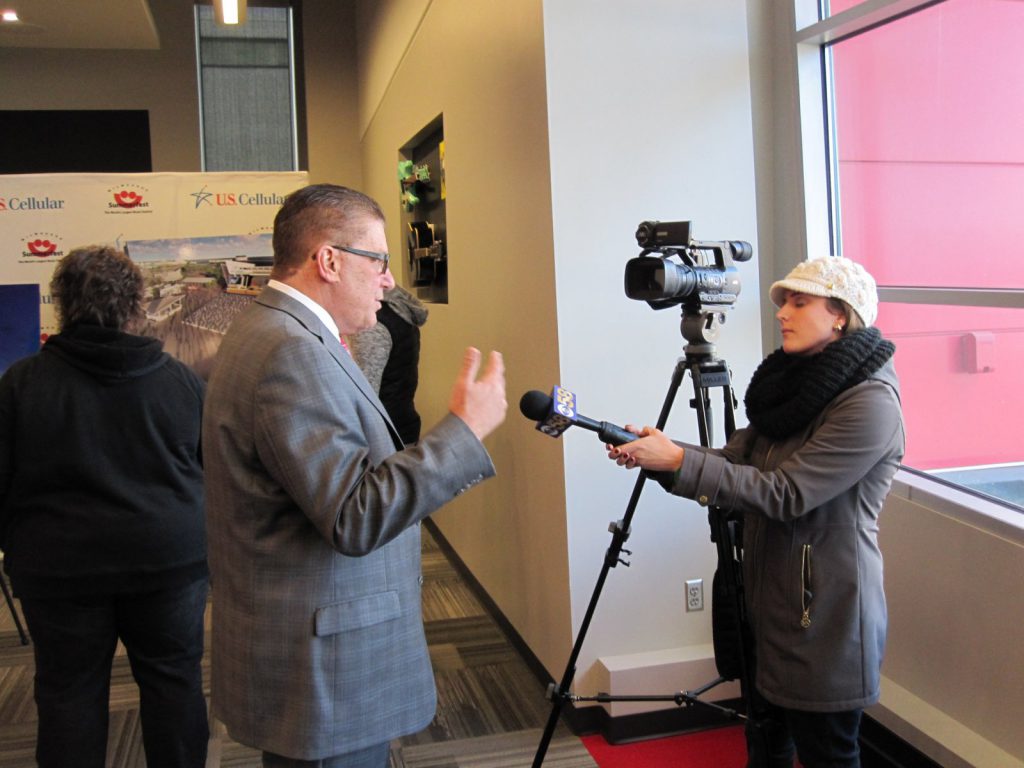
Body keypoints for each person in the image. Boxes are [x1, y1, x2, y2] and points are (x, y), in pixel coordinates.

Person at [202, 183, 507, 768]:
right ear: (329, 260)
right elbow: (353, 515)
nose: (390, 280)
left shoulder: (276, 329)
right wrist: (463, 432)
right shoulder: (292, 351)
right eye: (380, 261)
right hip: (324, 662)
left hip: (303, 637)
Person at [607, 256, 905, 768]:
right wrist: (659, 456)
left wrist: (678, 461)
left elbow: (785, 493)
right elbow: (735, 460)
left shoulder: (870, 404)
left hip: (825, 614)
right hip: (770, 605)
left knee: (829, 756)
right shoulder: (795, 386)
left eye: (799, 301)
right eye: (784, 301)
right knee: (765, 747)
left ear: (841, 315)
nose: (783, 313)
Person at [0, 246, 209, 768]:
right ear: (137, 305)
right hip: (169, 563)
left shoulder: (21, 385)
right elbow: (210, 474)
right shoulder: (181, 381)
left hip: (58, 570)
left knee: (69, 693)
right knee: (174, 684)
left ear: (62, 305)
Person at [349, 283, 428, 444]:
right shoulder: (397, 309)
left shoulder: (375, 321)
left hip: (383, 442)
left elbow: (362, 400)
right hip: (401, 430)